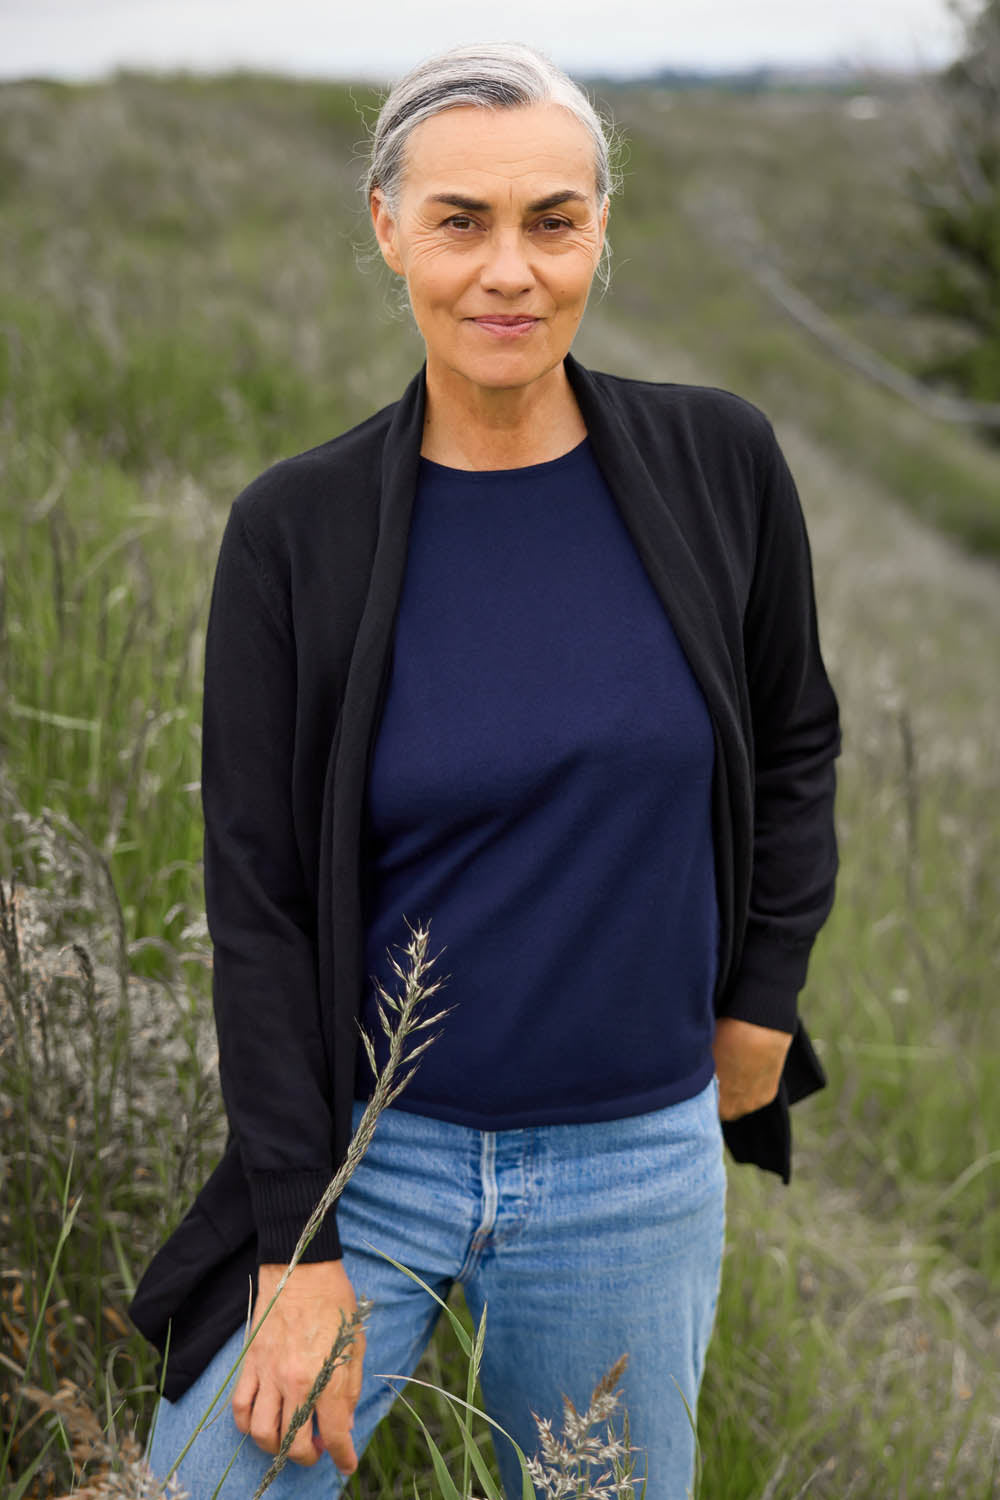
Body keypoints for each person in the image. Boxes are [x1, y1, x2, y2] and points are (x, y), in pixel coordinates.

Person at [131, 40, 841, 1500]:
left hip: (632, 1168)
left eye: (552, 220)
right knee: (208, 1486)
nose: (508, 269)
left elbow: (795, 740)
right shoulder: (295, 532)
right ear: (388, 230)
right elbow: (257, 906)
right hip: (370, 1157)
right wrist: (298, 1241)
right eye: (461, 220)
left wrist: (764, 997)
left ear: (600, 231)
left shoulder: (722, 464)